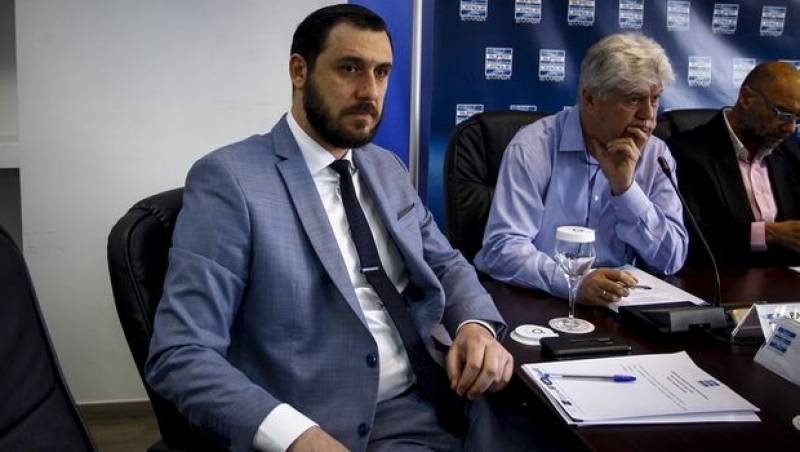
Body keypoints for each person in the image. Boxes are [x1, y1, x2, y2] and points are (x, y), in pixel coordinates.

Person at [145, 5, 518, 452]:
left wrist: (474, 327)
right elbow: (180, 353)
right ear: (299, 71)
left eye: (381, 73)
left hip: (445, 390)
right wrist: (295, 436)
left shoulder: (385, 167)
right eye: (349, 69)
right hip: (338, 424)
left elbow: (446, 263)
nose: (370, 91)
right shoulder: (231, 180)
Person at [474, 33, 688, 306]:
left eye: (655, 99)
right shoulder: (532, 147)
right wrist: (574, 282)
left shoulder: (656, 156)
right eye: (634, 99)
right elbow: (502, 249)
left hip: (622, 306)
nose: (649, 115)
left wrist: (626, 190)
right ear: (590, 99)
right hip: (542, 303)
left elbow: (671, 259)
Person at [667, 61, 800, 267]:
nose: (790, 128)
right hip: (722, 280)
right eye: (782, 114)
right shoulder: (686, 153)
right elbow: (692, 237)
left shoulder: (791, 154)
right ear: (746, 98)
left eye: (797, 118)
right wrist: (769, 234)